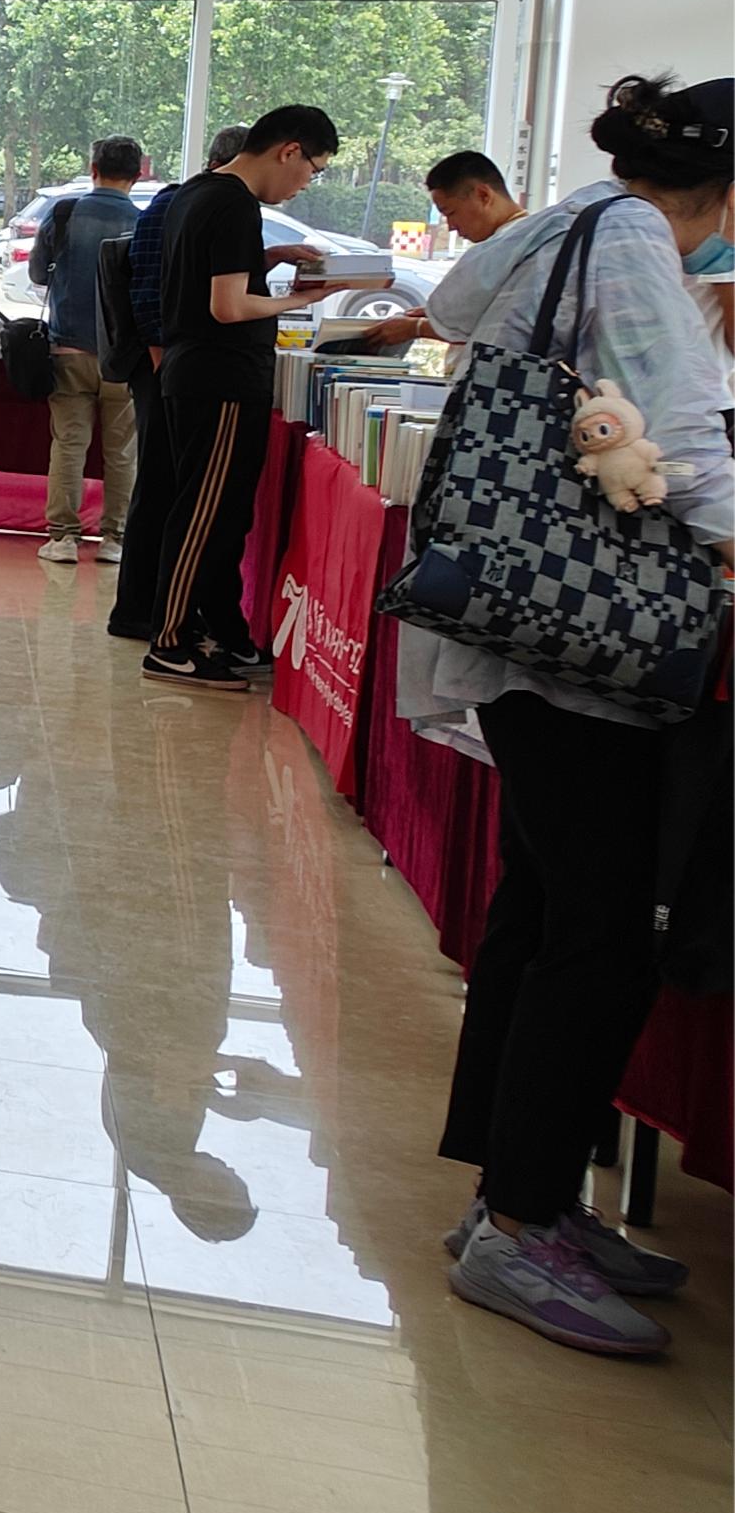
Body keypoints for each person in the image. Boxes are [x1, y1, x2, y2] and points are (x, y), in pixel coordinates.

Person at [408, 74, 732, 1357]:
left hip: (530, 626)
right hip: (595, 642)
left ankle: (516, 1192)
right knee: (599, 935)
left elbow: (450, 308)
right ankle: (518, 1221)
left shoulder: (568, 222)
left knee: (543, 909)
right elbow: (688, 451)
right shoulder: (638, 244)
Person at [143, 105, 343, 690]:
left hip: (200, 373)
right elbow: (228, 307)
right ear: (289, 150)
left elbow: (209, 272)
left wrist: (268, 260)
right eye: (312, 170)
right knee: (201, 516)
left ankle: (222, 631)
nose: (305, 183)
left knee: (223, 517)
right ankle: (169, 643)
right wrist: (302, 299)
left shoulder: (202, 190)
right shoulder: (234, 204)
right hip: (219, 379)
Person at [108, 125, 246, 640]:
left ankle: (164, 605)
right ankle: (141, 609)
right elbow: (148, 287)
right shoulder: (178, 203)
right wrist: (163, 359)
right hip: (164, 367)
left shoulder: (192, 202)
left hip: (177, 364)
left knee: (168, 485)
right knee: (162, 485)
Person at [30, 137, 143, 565]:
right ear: (137, 176)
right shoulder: (144, 222)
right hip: (122, 358)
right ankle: (116, 539)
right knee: (122, 452)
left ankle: (62, 538)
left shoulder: (63, 213)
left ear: (93, 169)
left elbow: (38, 273)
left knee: (69, 445)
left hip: (67, 350)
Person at [425, 148, 525, 246]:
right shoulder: (525, 238)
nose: (451, 227)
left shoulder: (513, 248)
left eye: (451, 213)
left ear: (483, 195)